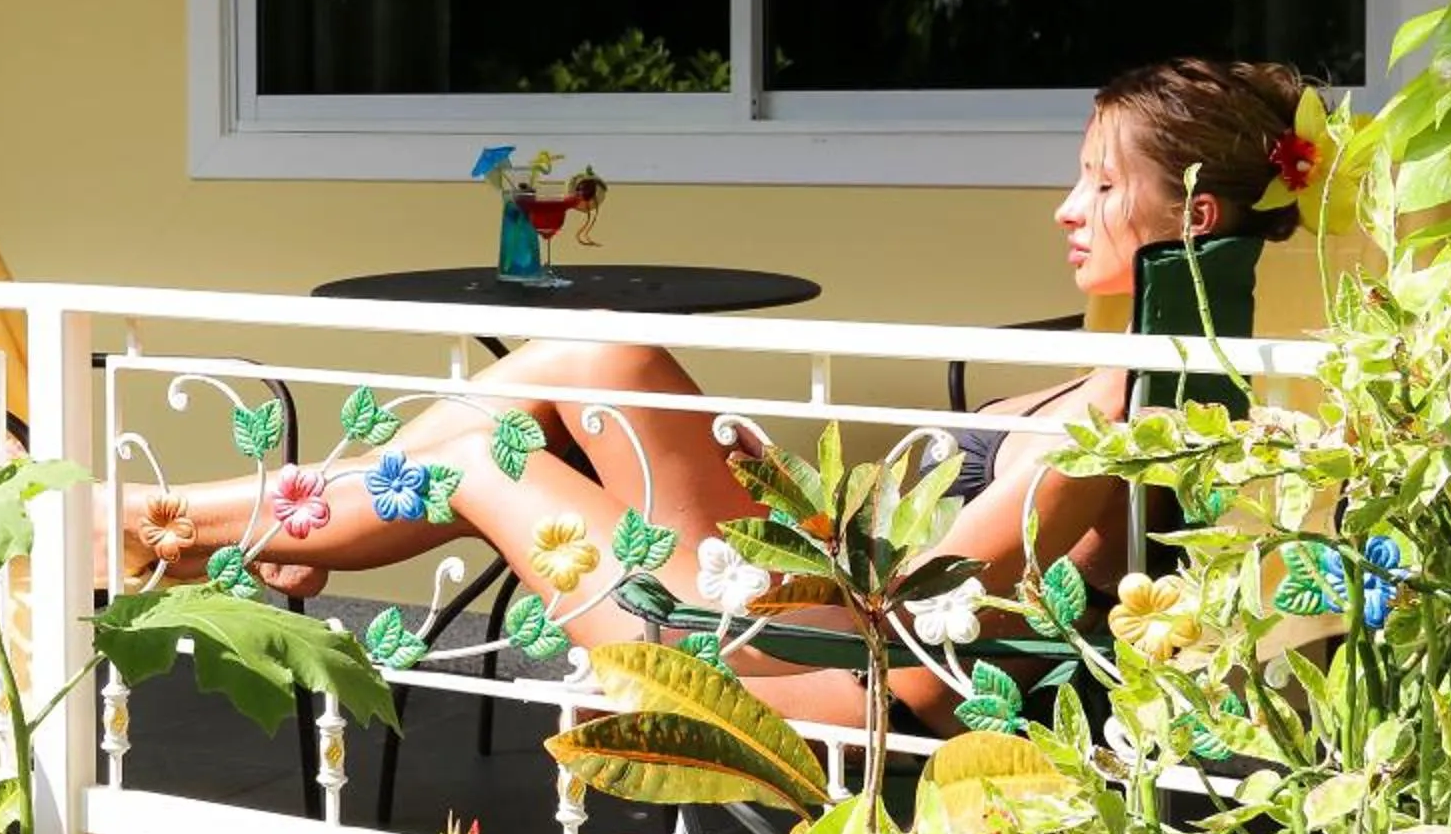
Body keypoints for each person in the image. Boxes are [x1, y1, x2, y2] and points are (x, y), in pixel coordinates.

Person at [130, 58, 1318, 730]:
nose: (1066, 207)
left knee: (486, 453)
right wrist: (777, 488)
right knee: (602, 356)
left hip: (809, 661)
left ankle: (181, 527)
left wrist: (784, 521)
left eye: (1099, 185)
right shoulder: (1138, 383)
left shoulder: (1115, 427)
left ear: (1194, 217)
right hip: (810, 605)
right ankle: (216, 533)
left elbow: (906, 614)